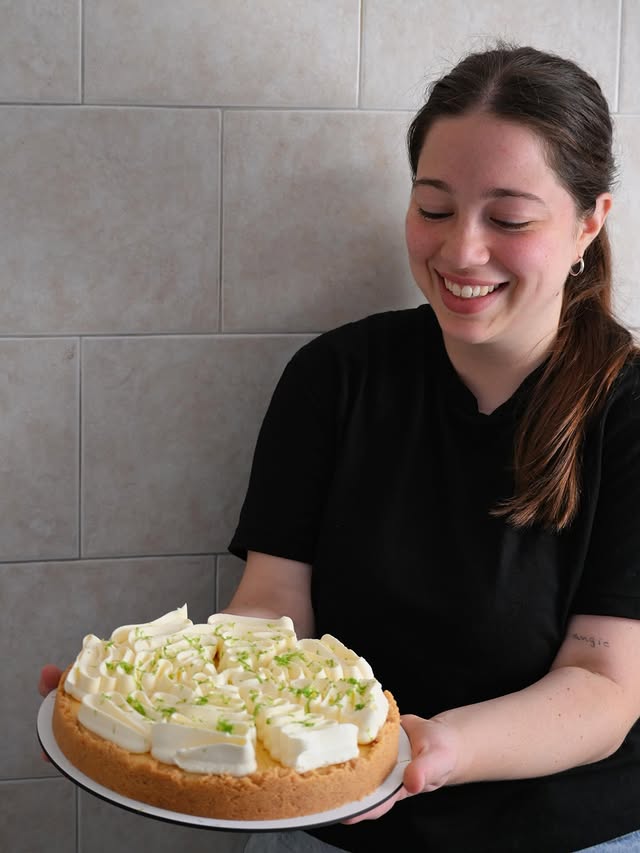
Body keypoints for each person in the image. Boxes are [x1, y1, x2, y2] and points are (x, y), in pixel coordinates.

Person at [40, 43, 640, 852]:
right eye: (434, 208)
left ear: (588, 222)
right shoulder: (335, 376)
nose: (461, 251)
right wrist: (146, 702)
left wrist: (429, 752)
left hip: (562, 832)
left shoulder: (626, 412)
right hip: (319, 820)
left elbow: (603, 687)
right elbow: (271, 607)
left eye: (509, 219)